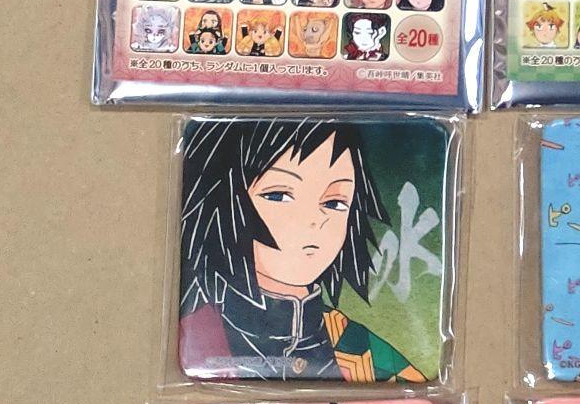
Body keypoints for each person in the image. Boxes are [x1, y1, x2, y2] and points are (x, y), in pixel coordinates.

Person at [178, 119, 424, 381]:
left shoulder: (370, 354)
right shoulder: (195, 336)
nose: (314, 219)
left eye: (334, 202)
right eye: (278, 195)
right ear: (223, 198)